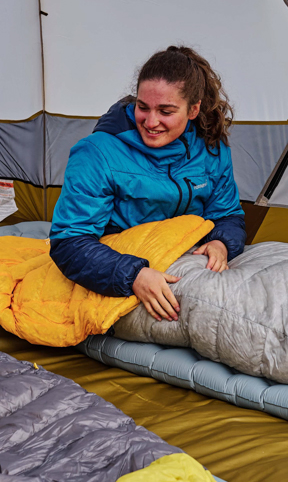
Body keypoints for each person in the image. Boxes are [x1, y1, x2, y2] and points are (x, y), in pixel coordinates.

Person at [49, 46, 247, 322]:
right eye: (142, 107)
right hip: (117, 271)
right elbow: (69, 242)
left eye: (166, 111)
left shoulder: (211, 149)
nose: (151, 122)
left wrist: (221, 243)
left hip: (185, 263)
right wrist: (134, 276)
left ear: (193, 110)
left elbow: (228, 215)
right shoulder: (97, 153)